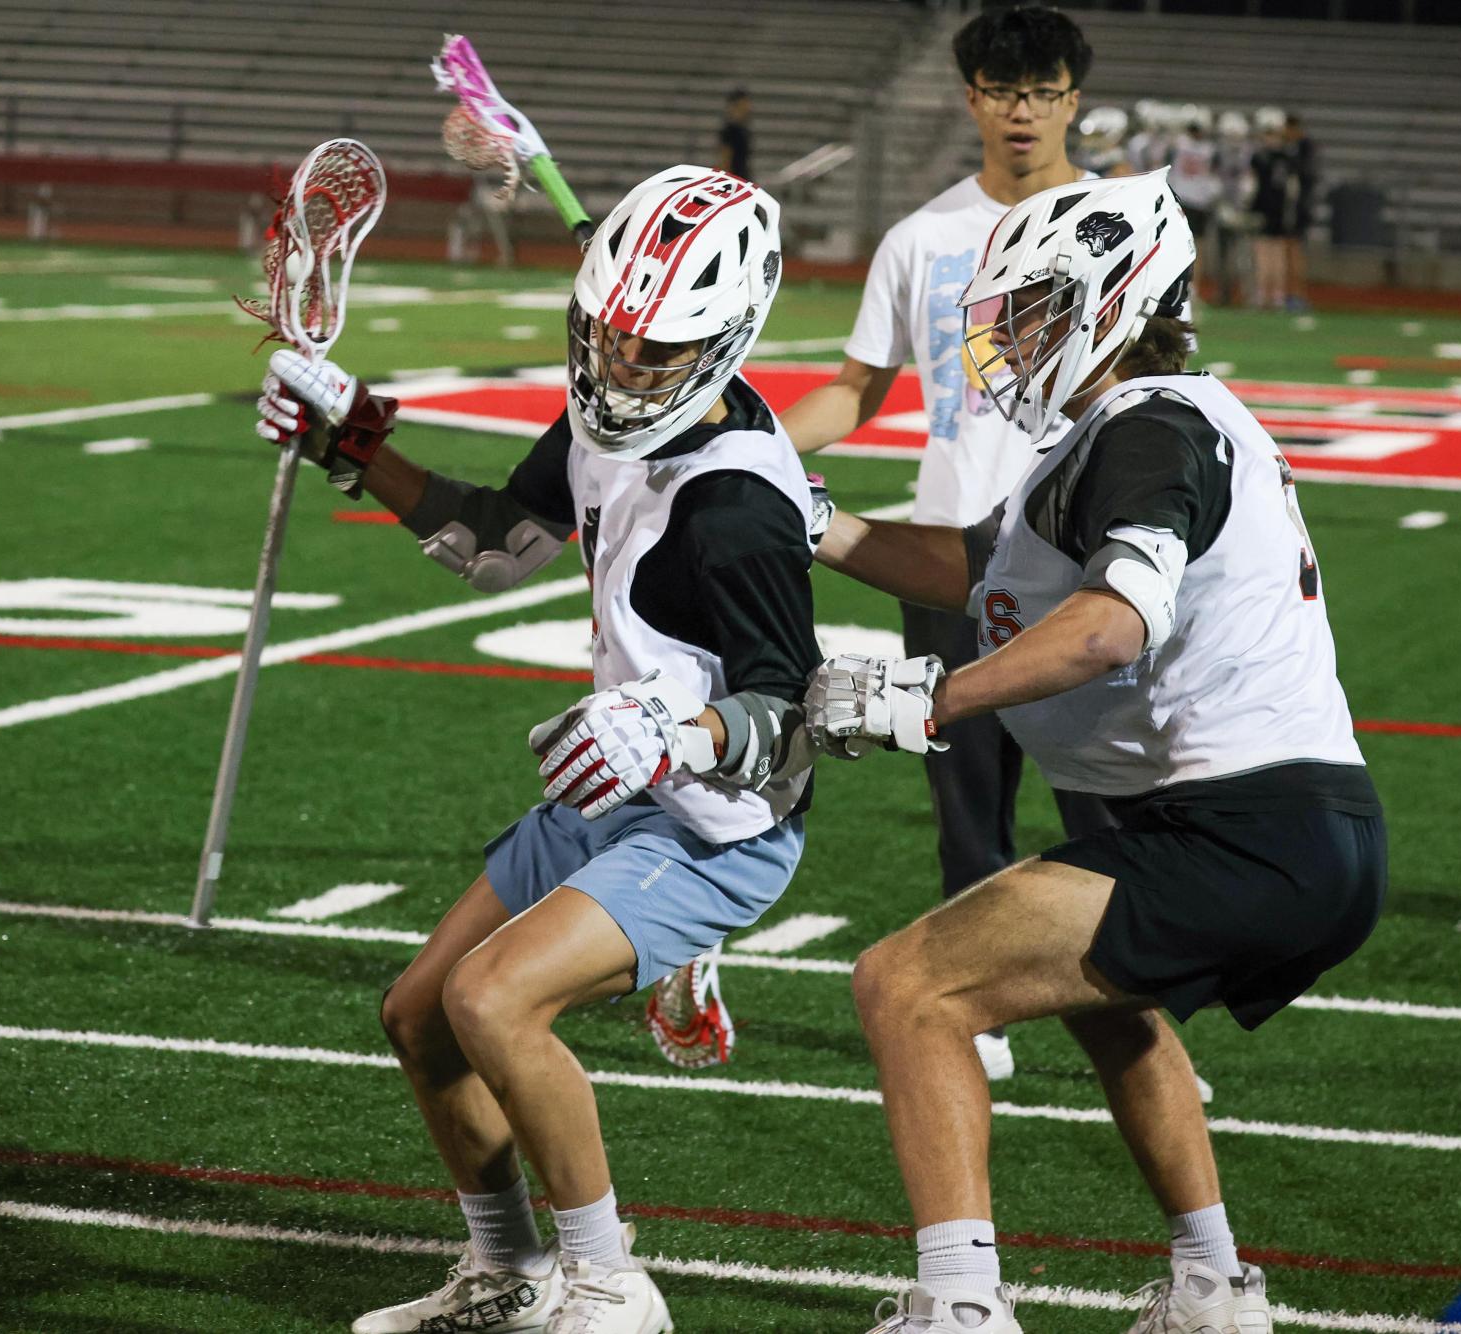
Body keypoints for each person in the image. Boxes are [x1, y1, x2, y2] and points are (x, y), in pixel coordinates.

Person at [804, 170, 1386, 1334]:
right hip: (1292, 827)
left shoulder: (1150, 427)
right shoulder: (1148, 424)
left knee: (906, 986)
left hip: (1237, 826)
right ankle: (1214, 1287)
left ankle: (959, 1304)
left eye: (1031, 309)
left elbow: (1115, 619)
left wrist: (931, 698)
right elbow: (975, 573)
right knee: (1104, 1005)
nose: (1008, 338)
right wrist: (815, 519)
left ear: (1110, 303)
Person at [258, 165, 818, 1334]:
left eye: (650, 351)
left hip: (715, 823)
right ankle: (507, 1272)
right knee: (417, 1011)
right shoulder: (610, 410)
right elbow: (501, 542)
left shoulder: (740, 505)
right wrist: (352, 440)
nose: (617, 369)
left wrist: (676, 725)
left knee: (492, 998)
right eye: (604, 337)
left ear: (725, 342)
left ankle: (612, 1283)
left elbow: (794, 714)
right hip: (618, 784)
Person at [779, 2, 1117, 1084]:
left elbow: (1160, 386)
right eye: (1004, 90)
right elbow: (853, 392)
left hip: (1085, 554)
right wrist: (748, 444)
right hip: (948, 555)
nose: (1024, 112)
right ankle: (979, 1015)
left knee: (1107, 806)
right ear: (971, 96)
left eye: (1045, 90)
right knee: (969, 804)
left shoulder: (1126, 225)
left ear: (1076, 97)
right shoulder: (920, 237)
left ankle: (1137, 1022)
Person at [1169, 104, 1221, 304]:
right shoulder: (1209, 149)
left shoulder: (1177, 144)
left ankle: (1186, 286)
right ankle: (1192, 287)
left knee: (1186, 246)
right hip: (1197, 201)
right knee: (1196, 247)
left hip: (1182, 199)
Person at [1247, 106, 1294, 309]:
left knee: (1265, 253)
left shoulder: (1259, 157)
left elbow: (1250, 186)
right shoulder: (1287, 156)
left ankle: (1264, 295)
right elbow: (1293, 188)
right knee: (1276, 254)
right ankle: (1277, 295)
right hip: (1280, 209)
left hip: (1263, 208)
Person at [1211, 109, 1255, 307]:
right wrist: (1220, 203)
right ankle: (1224, 293)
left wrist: (1246, 204)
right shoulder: (1218, 152)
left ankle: (1248, 295)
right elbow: (1212, 179)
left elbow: (1250, 181)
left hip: (1243, 209)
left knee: (1245, 256)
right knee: (1221, 256)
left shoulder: (1249, 153)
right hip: (1223, 208)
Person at [1282, 113, 1317, 311]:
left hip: (1297, 206)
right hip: (1295, 205)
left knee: (1294, 249)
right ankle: (1291, 293)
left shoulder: (1303, 148)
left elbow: (1305, 176)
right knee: (1290, 249)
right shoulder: (1297, 147)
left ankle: (1297, 294)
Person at [717, 89, 753, 180]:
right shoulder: (730, 130)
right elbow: (725, 158)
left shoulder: (743, 128)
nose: (748, 107)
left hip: (742, 177)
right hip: (734, 178)